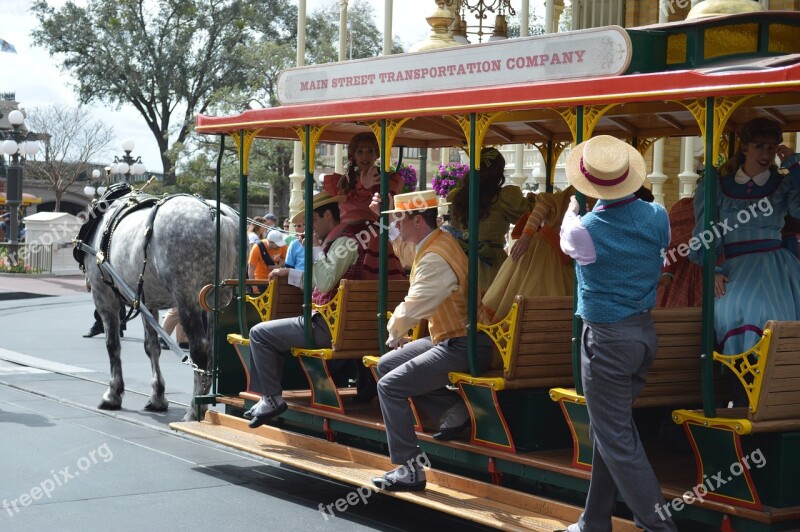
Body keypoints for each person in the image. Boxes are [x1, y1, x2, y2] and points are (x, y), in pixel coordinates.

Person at [558, 135, 675, 532]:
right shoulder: (658, 215)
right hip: (643, 336)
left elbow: (567, 233)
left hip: (607, 340)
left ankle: (659, 525)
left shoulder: (583, 230)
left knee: (615, 437)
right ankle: (593, 520)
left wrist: (573, 207)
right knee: (610, 430)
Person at [245, 191, 404, 428]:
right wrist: (293, 273)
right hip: (347, 325)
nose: (308, 228)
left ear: (328, 215)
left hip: (327, 327)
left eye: (312, 221)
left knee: (259, 334)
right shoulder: (344, 240)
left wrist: (315, 249)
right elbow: (323, 279)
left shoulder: (345, 241)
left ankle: (271, 398)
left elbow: (326, 281)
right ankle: (271, 396)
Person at [369, 190, 493, 492]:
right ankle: (453, 409)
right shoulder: (433, 242)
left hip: (466, 343)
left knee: (389, 386)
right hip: (451, 339)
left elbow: (417, 302)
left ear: (417, 220)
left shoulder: (436, 257)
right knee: (386, 366)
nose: (396, 224)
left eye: (399, 218)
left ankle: (409, 470)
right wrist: (384, 220)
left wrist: (395, 331)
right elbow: (402, 250)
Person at [689, 117, 800, 402]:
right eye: (760, 146)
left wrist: (796, 167)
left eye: (772, 147)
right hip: (735, 267)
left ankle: (776, 402)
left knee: (775, 323)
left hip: (777, 268)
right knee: (734, 316)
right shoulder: (717, 185)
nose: (766, 154)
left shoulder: (783, 185)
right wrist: (712, 267)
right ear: (745, 148)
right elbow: (705, 230)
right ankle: (744, 398)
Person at [480, 185, 583, 323]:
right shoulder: (576, 192)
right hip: (543, 251)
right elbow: (544, 205)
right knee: (535, 288)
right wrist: (526, 235)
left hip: (563, 254)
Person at [322, 131, 405, 277]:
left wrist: (369, 188)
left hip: (371, 236)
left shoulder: (386, 181)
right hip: (345, 234)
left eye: (370, 151)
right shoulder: (342, 182)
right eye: (360, 152)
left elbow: (388, 208)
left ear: (377, 154)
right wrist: (362, 186)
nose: (365, 156)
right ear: (353, 155)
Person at [447, 148, 530, 291]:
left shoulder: (460, 197)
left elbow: (455, 224)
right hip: (493, 261)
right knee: (492, 302)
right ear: (498, 172)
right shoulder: (504, 197)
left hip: (464, 259)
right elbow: (525, 217)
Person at [657, 196, 703, 307]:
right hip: (681, 271)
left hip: (713, 269)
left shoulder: (723, 207)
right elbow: (674, 241)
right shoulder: (683, 207)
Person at [247, 229, 287, 294]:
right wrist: (255, 288)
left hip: (275, 279)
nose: (279, 246)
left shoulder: (282, 246)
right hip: (260, 280)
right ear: (270, 242)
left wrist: (277, 266)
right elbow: (251, 268)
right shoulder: (257, 248)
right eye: (277, 244)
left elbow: (283, 259)